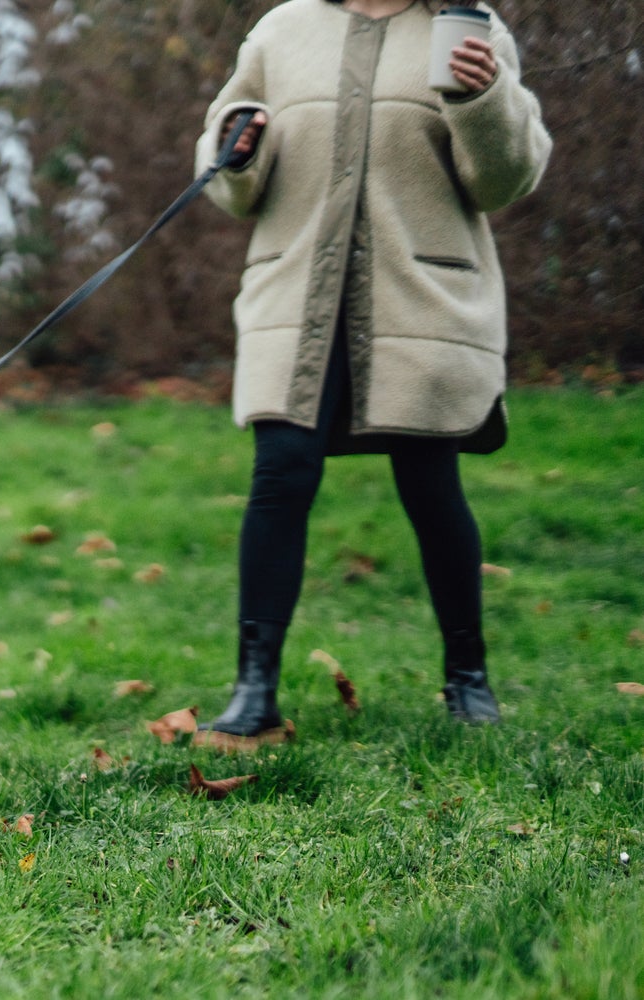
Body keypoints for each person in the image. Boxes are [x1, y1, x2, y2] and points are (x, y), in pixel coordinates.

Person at [190, 0, 551, 742]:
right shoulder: (282, 30)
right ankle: (254, 688)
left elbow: (505, 180)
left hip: (422, 304)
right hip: (296, 303)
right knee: (280, 474)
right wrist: (238, 149)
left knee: (429, 480)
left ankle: (467, 680)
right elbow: (228, 180)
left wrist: (483, 97)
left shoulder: (469, 26)